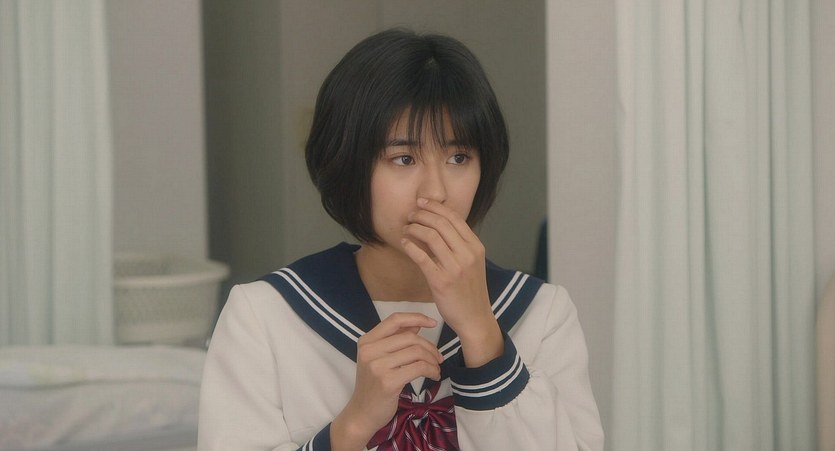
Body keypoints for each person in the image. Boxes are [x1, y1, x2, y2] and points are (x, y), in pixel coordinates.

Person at [198, 28, 604, 451]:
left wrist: (483, 334)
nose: (436, 192)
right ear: (347, 165)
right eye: (404, 158)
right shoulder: (266, 316)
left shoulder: (542, 314)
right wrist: (354, 424)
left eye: (459, 157)